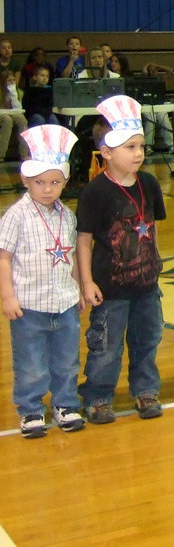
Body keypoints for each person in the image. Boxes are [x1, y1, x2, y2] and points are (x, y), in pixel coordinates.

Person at [77, 95, 168, 424]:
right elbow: (84, 240)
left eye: (141, 146)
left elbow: (152, 226)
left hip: (146, 285)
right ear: (107, 152)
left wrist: (155, 262)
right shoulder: (95, 192)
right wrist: (86, 282)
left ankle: (145, 389)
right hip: (110, 288)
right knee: (107, 346)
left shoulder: (149, 183)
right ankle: (99, 395)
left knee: (147, 339)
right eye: (130, 147)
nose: (139, 153)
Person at [0, 125, 84, 437]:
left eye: (54, 182)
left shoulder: (67, 215)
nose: (47, 188)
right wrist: (7, 296)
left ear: (64, 182)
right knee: (31, 361)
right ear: (26, 180)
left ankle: (65, 403)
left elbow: (73, 255)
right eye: (39, 182)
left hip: (63, 301)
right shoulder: (16, 216)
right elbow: (3, 258)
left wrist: (77, 290)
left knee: (66, 358)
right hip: (29, 305)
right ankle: (31, 408)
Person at [0, 69, 29, 161]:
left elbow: (18, 108)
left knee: (22, 120)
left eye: (13, 80)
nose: (12, 82)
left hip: (14, 112)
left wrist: (14, 96)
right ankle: (1, 155)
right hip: (2, 113)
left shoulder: (19, 92)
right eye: (9, 80)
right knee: (7, 120)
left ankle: (24, 154)